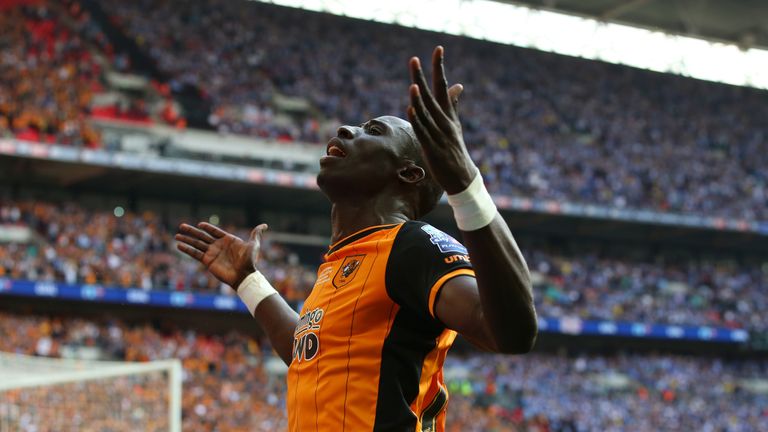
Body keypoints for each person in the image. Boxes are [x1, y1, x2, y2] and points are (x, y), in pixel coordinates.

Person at [175, 46, 537, 432]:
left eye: (374, 131)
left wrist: (466, 184)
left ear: (410, 174)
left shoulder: (412, 244)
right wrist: (250, 281)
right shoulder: (342, 262)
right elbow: (313, 354)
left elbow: (510, 333)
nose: (348, 129)